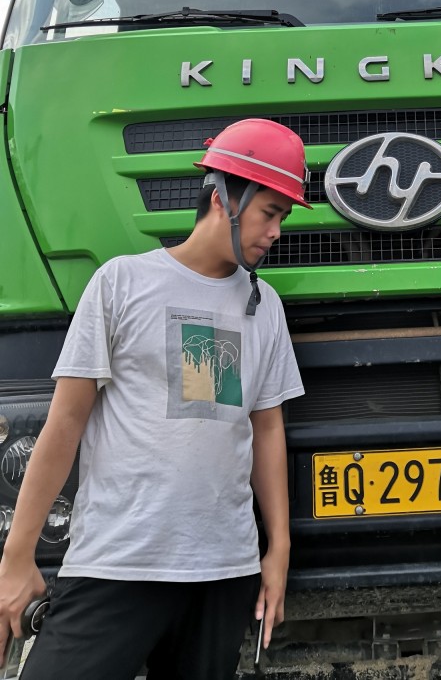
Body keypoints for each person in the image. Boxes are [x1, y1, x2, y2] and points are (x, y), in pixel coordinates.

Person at [0, 118, 309, 680]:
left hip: (223, 572)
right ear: (222, 199)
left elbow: (267, 429)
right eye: (269, 213)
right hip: (117, 563)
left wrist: (278, 550)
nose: (276, 232)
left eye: (282, 218)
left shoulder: (266, 307)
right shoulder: (122, 283)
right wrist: (17, 556)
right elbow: (64, 425)